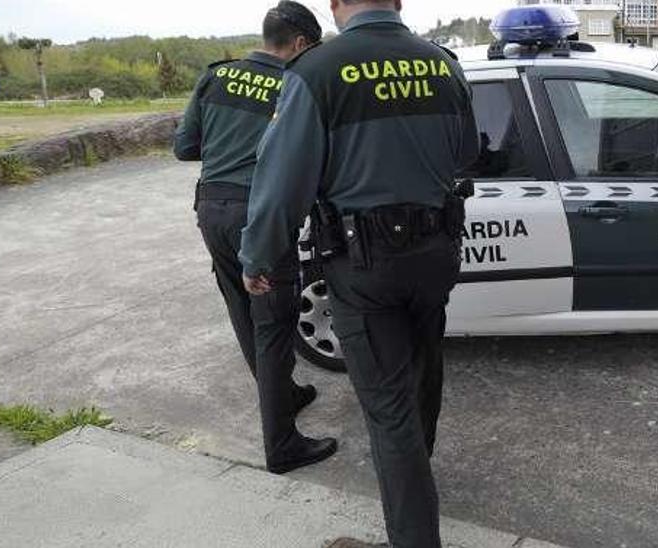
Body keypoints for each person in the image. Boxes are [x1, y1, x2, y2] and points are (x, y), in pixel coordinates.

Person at [238, 0, 478, 545]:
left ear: (336, 5)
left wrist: (258, 259)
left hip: (365, 266)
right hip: (435, 254)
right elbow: (467, 152)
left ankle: (414, 531)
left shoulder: (317, 71)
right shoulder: (442, 62)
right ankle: (416, 479)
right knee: (423, 374)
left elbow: (280, 188)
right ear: (398, 3)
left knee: (390, 411)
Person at [173, 1, 338, 475]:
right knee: (273, 325)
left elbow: (185, 146)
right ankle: (282, 444)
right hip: (258, 215)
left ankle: (284, 394)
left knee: (243, 315)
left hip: (211, 210)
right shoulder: (295, 84)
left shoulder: (216, 76)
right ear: (302, 43)